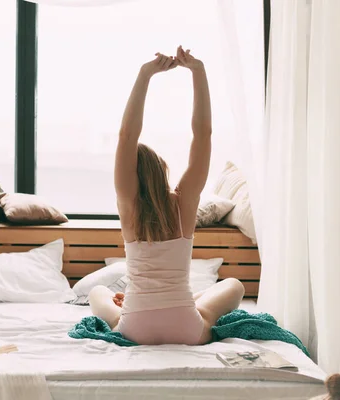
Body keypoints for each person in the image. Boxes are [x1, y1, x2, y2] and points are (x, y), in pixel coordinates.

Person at [89, 46, 245, 346]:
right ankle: (187, 304)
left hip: (134, 326)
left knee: (99, 294)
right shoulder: (182, 205)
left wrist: (145, 74)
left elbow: (126, 136)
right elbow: (203, 134)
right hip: (186, 327)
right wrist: (198, 72)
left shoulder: (129, 208)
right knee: (235, 285)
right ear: (161, 171)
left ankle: (151, 306)